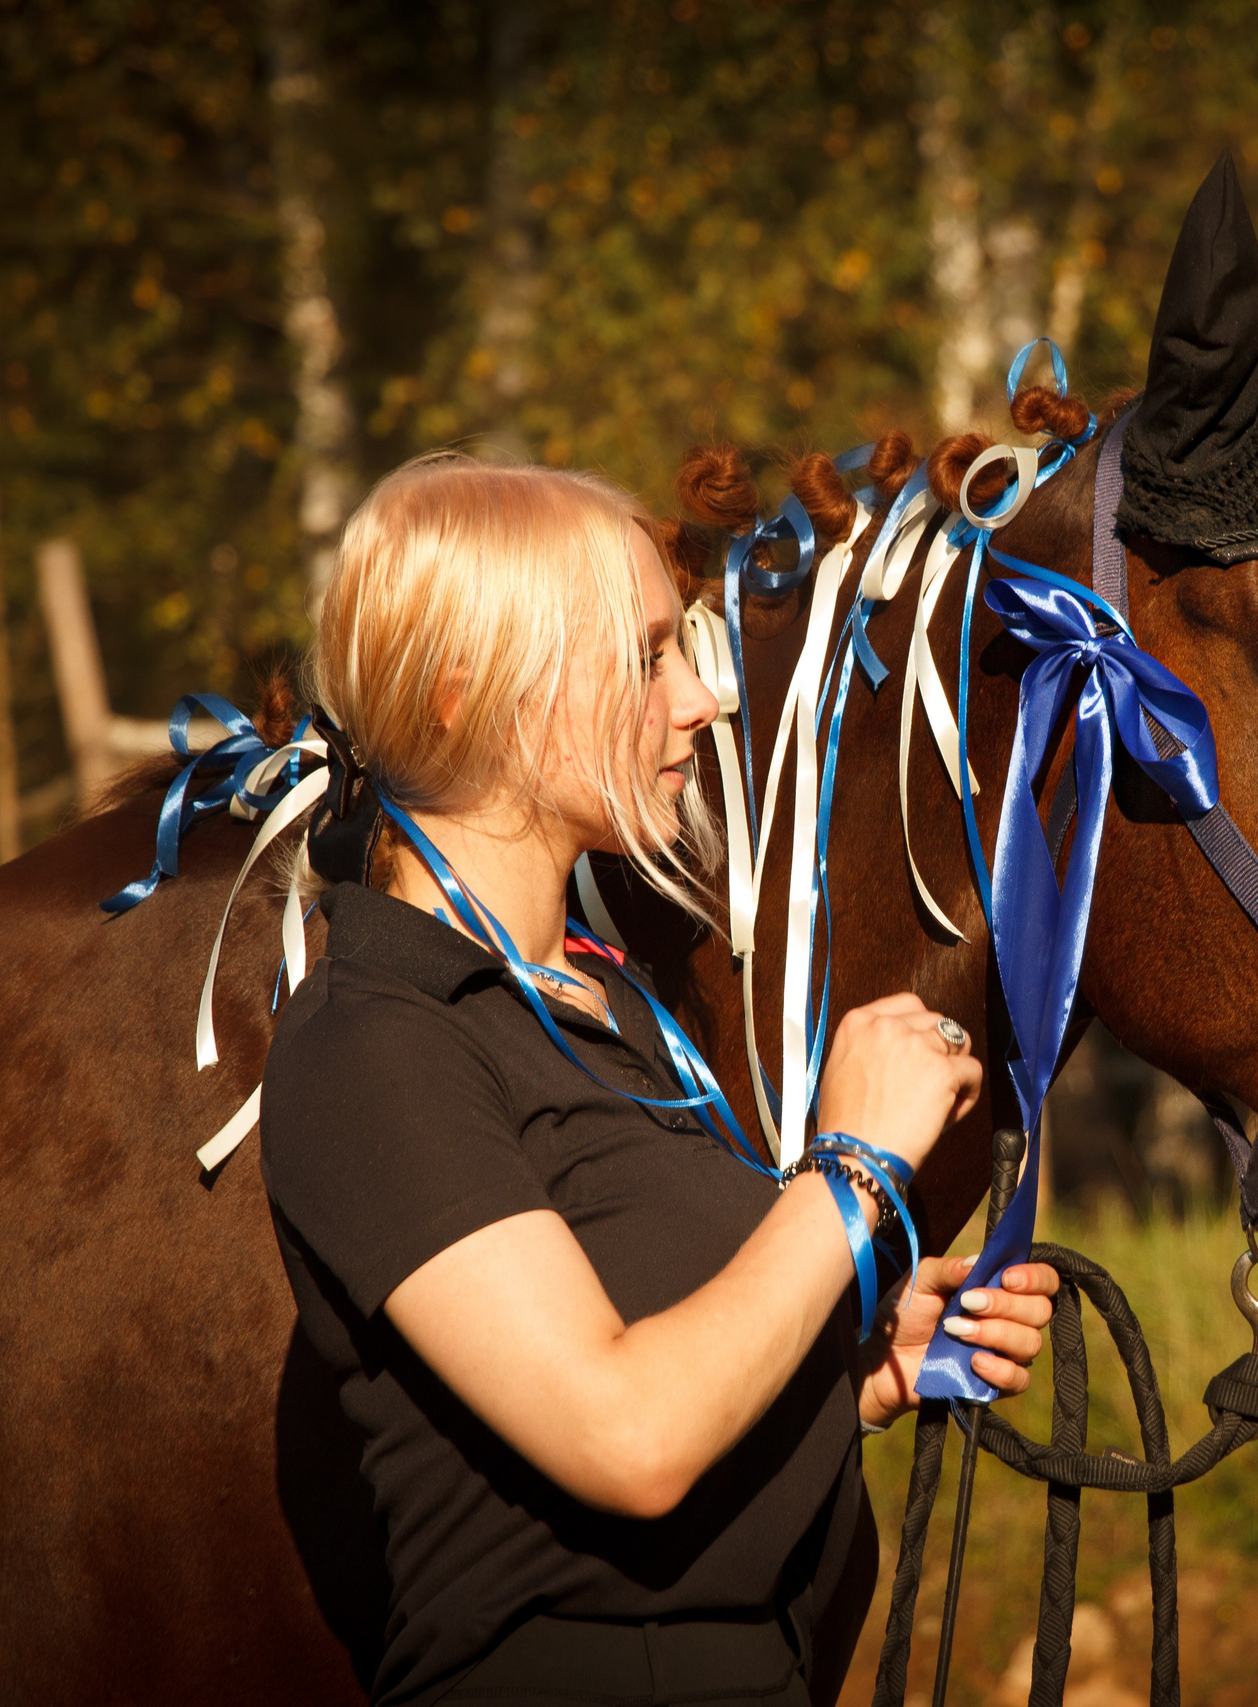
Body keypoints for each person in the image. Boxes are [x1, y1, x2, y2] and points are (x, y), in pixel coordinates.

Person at [260, 453, 1058, 1706]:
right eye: (644, 657)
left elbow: (639, 1367)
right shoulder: (375, 1037)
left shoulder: (609, 1002)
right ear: (470, 693)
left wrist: (844, 1375)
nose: (704, 696)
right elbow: (624, 1437)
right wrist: (850, 1178)